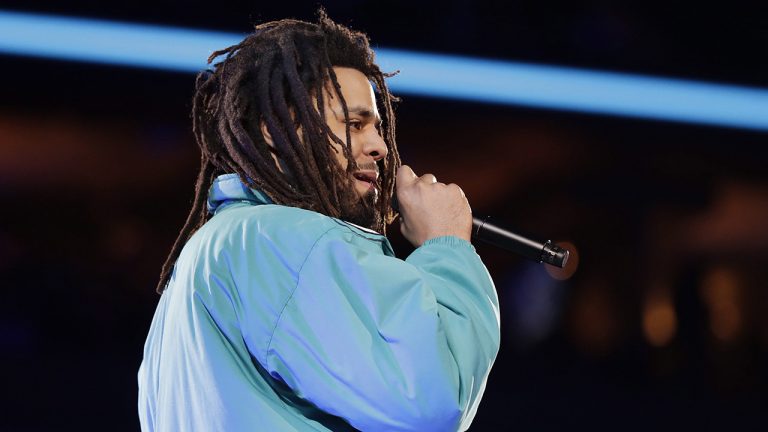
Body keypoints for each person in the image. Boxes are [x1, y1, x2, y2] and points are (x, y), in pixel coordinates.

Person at [138, 11, 500, 432]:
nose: (381, 146)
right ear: (276, 128)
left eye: (379, 127)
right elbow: (432, 398)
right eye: (355, 123)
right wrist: (446, 248)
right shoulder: (285, 239)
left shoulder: (212, 250)